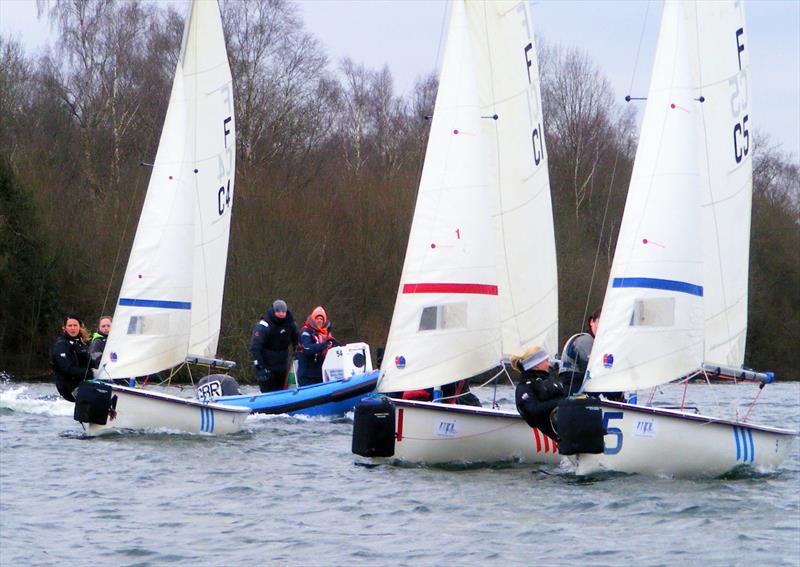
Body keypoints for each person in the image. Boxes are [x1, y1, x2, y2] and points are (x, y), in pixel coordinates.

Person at [513, 345, 565, 441]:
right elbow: (532, 412)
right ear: (536, 364)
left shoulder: (550, 380)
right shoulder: (525, 386)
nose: (549, 364)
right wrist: (560, 402)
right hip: (556, 431)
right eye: (546, 361)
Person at [249, 299, 299, 392]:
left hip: (282, 366)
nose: (281, 314)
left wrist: (297, 352)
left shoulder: (290, 324)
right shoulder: (264, 325)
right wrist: (259, 367)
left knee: (281, 391)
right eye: (278, 311)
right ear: (273, 311)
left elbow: (297, 340)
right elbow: (255, 347)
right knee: (268, 391)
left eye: (283, 312)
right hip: (266, 367)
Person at [51, 313, 94, 402]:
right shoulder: (61, 345)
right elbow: (67, 369)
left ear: (80, 327)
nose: (73, 328)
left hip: (83, 382)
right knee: (99, 395)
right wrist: (89, 374)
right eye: (70, 325)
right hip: (68, 388)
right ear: (65, 328)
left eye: (75, 325)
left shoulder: (81, 343)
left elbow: (90, 362)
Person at [558, 308, 601, 395]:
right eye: (600, 322)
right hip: (574, 384)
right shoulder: (585, 340)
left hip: (577, 383)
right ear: (591, 322)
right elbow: (589, 370)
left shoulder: (595, 342)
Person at [296, 306, 338, 387]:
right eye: (317, 318)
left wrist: (334, 345)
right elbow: (307, 349)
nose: (319, 321)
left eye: (321, 319)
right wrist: (324, 345)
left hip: (320, 374)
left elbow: (333, 345)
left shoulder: (326, 334)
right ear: (313, 319)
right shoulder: (306, 332)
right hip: (306, 375)